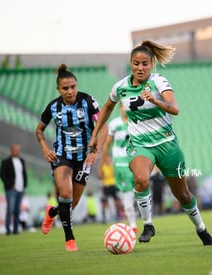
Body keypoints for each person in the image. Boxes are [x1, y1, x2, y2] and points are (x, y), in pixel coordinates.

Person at [89, 40, 212, 245]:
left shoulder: (159, 82)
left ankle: (201, 228)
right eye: (136, 63)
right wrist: (95, 134)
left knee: (182, 194)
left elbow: (175, 108)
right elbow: (106, 107)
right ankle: (148, 224)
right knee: (140, 179)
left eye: (145, 64)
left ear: (152, 64)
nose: (140, 68)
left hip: (167, 145)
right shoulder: (120, 87)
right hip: (139, 144)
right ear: (131, 63)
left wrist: (156, 100)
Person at [35, 64, 107, 251]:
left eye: (73, 87)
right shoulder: (53, 107)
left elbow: (103, 127)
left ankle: (53, 211)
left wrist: (95, 151)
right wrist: (44, 149)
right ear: (58, 89)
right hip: (62, 155)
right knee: (65, 193)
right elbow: (39, 130)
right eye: (65, 88)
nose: (70, 91)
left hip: (84, 158)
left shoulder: (88, 102)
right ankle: (70, 239)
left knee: (71, 204)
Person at [100, 104, 137, 232]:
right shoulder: (114, 124)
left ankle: (146, 221)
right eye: (123, 106)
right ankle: (133, 224)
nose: (126, 109)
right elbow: (106, 146)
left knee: (141, 190)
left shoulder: (138, 122)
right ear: (120, 108)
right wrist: (102, 165)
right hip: (121, 162)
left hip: (137, 161)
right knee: (127, 192)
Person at [0, 144, 28, 235]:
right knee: (10, 209)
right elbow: (2, 174)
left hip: (20, 189)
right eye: (15, 150)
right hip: (11, 189)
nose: (17, 151)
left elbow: (24, 174)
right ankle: (8, 229)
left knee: (17, 210)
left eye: (18, 150)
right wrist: (9, 184)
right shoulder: (6, 162)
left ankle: (16, 229)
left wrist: (24, 185)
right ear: (11, 150)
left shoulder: (21, 161)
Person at [98, 154, 124, 224]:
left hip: (113, 186)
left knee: (116, 201)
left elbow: (117, 175)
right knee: (104, 202)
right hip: (106, 186)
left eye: (109, 159)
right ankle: (104, 218)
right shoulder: (103, 167)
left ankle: (118, 217)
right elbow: (100, 176)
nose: (108, 160)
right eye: (107, 159)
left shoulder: (113, 166)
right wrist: (103, 176)